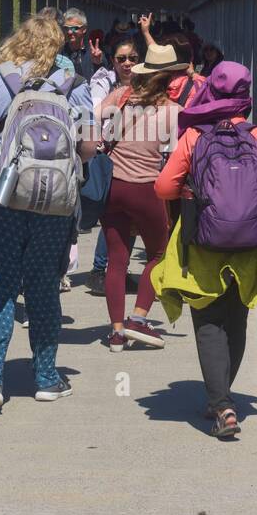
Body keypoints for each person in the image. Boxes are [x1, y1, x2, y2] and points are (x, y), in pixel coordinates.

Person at [0, 13, 97, 411]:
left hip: (2, 189)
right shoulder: (74, 84)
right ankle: (47, 378)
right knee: (43, 282)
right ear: (57, 45)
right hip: (54, 198)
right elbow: (89, 146)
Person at [152, 62, 257, 439]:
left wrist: (194, 192)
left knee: (208, 320)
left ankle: (222, 403)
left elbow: (163, 188)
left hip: (203, 242)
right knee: (236, 317)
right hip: (250, 245)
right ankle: (223, 395)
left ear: (210, 90)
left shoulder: (195, 137)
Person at [98, 44, 184, 351]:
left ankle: (116, 332)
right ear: (170, 78)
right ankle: (138, 317)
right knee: (159, 254)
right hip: (147, 188)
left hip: (113, 187)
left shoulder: (119, 98)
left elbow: (90, 127)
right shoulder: (173, 111)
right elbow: (177, 157)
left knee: (116, 261)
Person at [86, 38, 140, 294]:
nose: (127, 63)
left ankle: (120, 268)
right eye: (122, 59)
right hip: (110, 156)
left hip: (136, 157)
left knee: (130, 218)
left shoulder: (146, 85)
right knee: (111, 216)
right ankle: (99, 270)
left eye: (132, 58)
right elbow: (94, 112)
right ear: (113, 62)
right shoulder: (103, 82)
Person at [59, 7, 101, 81]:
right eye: (66, 28)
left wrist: (98, 63)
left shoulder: (93, 53)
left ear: (84, 29)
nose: (69, 32)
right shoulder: (59, 53)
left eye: (74, 28)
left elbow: (104, 77)